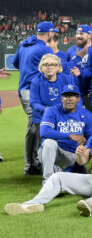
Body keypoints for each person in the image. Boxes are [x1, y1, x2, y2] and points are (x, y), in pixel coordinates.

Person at [4, 106, 92, 217]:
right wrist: (79, 154)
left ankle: (91, 204)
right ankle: (33, 204)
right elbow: (83, 161)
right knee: (58, 177)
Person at [13, 21, 56, 175]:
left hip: (24, 88)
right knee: (34, 126)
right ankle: (30, 165)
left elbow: (15, 63)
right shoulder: (44, 48)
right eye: (53, 33)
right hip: (32, 90)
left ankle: (34, 162)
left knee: (36, 125)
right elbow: (55, 66)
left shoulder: (24, 44)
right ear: (49, 33)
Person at [38, 84, 92, 180]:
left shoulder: (86, 114)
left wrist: (84, 154)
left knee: (79, 178)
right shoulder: (52, 111)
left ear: (78, 99)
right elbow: (44, 132)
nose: (69, 99)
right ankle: (47, 180)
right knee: (49, 143)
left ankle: (59, 171)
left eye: (73, 96)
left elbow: (90, 138)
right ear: (61, 98)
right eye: (66, 96)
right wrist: (70, 135)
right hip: (55, 152)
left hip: (72, 154)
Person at [29, 54, 78, 160]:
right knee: (46, 144)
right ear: (41, 67)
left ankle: (68, 167)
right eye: (46, 64)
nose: (49, 67)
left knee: (66, 144)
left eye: (53, 64)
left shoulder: (66, 79)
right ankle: (47, 169)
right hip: (43, 118)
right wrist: (47, 110)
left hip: (64, 117)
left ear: (58, 67)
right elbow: (34, 103)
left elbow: (75, 97)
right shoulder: (36, 81)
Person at [65, 25, 92, 109]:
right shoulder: (71, 50)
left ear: (89, 35)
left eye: (81, 34)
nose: (78, 36)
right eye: (77, 34)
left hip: (90, 92)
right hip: (75, 92)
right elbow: (66, 70)